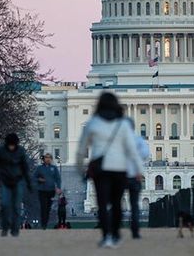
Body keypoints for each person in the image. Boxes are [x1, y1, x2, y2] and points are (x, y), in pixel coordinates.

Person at [77, 92, 143, 249]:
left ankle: (106, 235)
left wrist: (81, 169)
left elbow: (81, 149)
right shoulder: (123, 124)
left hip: (101, 169)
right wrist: (139, 170)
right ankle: (115, 234)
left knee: (102, 203)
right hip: (120, 168)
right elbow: (132, 150)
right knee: (116, 203)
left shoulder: (93, 123)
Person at [0, 133, 32, 237]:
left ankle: (15, 229)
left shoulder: (21, 151)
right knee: (5, 204)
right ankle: (5, 227)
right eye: (10, 145)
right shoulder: (1, 151)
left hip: (17, 181)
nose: (11, 147)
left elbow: (25, 168)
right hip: (5, 181)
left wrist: (29, 183)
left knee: (16, 206)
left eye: (13, 145)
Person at [125, 117, 150, 239]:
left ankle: (114, 232)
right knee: (134, 204)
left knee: (115, 203)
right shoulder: (138, 140)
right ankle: (135, 232)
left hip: (120, 176)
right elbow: (145, 154)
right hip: (135, 176)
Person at [33, 153, 61, 229]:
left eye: (49, 158)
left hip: (51, 190)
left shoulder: (54, 168)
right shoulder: (39, 168)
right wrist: (39, 179)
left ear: (51, 159)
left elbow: (58, 179)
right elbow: (33, 177)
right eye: (46, 158)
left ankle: (45, 222)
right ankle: (43, 224)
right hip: (42, 190)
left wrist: (58, 187)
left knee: (48, 208)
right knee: (43, 207)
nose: (48, 159)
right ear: (44, 159)